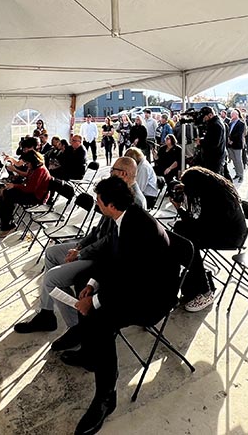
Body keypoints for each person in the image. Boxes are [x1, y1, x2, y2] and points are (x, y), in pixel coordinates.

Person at [60, 176, 177, 435]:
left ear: (111, 205)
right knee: (83, 284)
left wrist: (96, 300)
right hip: (134, 284)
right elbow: (112, 261)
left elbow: (132, 280)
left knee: (101, 319)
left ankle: (105, 397)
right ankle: (90, 354)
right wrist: (92, 285)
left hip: (152, 297)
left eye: (100, 202)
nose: (97, 205)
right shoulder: (121, 217)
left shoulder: (138, 227)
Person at [12, 158, 146, 351]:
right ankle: (47, 313)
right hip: (93, 247)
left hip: (103, 257)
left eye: (113, 170)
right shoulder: (115, 190)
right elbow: (99, 229)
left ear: (124, 173)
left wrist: (81, 253)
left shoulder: (135, 201)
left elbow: (110, 242)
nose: (110, 173)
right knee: (51, 253)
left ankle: (76, 327)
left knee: (51, 279)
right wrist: (80, 245)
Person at [170, 167, 247, 312]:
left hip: (230, 237)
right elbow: (197, 223)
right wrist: (182, 204)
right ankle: (193, 281)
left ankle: (205, 291)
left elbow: (200, 227)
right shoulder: (210, 189)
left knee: (190, 242)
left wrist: (180, 209)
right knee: (180, 229)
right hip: (216, 230)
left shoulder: (216, 199)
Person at [0, 149, 51, 235]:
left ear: (33, 161)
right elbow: (27, 176)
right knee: (0, 190)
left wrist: (14, 185)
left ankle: (7, 224)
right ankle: (3, 220)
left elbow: (30, 188)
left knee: (7, 195)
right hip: (31, 192)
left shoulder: (40, 170)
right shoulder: (34, 167)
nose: (26, 165)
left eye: (27, 163)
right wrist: (15, 171)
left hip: (36, 197)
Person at [199, 106, 227, 176]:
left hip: (214, 158)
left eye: (205, 117)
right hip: (215, 157)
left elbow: (214, 143)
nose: (204, 119)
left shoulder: (216, 125)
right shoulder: (215, 123)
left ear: (210, 115)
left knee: (215, 179)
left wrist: (201, 142)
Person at [227, 109, 246, 182]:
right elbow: (229, 132)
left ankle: (241, 175)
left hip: (237, 144)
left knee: (238, 160)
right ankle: (237, 174)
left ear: (236, 115)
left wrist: (232, 140)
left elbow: (239, 134)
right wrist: (228, 140)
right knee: (234, 160)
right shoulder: (230, 123)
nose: (231, 116)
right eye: (231, 114)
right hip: (230, 145)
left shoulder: (241, 123)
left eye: (232, 114)